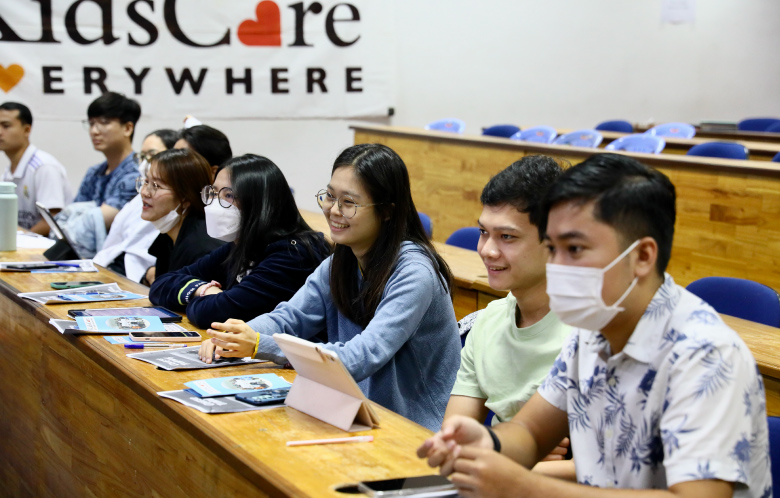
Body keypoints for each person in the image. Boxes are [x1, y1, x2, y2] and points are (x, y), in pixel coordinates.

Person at [418, 153, 771, 498]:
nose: (557, 266)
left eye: (574, 248)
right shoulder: (594, 329)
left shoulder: (705, 354)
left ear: (642, 257)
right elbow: (528, 431)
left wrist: (525, 486)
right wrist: (488, 443)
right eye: (553, 248)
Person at [199, 143, 461, 431]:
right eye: (330, 196)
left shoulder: (415, 272)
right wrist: (232, 336)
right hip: (352, 410)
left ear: (387, 211)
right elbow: (288, 318)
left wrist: (260, 345)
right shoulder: (340, 261)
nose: (332, 210)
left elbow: (364, 354)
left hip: (415, 427)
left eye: (348, 202)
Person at [447, 156, 573, 475]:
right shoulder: (487, 321)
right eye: (483, 232)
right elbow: (455, 435)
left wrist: (502, 455)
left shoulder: (593, 334)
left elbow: (605, 470)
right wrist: (515, 451)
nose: (488, 250)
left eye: (507, 237)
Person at [149, 154, 330, 329]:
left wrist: (204, 298)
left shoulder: (292, 254)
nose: (214, 204)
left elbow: (214, 314)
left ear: (259, 203)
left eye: (228, 196)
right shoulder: (241, 244)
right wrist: (202, 289)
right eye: (213, 193)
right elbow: (160, 285)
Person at [93, 129, 180, 281]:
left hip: (135, 276)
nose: (146, 162)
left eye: (152, 155)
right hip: (110, 267)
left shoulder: (170, 201)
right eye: (142, 156)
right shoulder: (141, 193)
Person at [139, 148, 224, 285]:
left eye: (156, 186)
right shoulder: (169, 236)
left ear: (185, 198)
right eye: (146, 182)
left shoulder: (202, 248)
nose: (144, 192)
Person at [0, 102, 72, 235]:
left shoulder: (44, 167)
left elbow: (52, 220)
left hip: (50, 251)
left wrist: (20, 241)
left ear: (27, 130)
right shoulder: (7, 172)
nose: (0, 132)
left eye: (6, 126)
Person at [74, 91, 142, 230]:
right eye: (91, 123)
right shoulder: (94, 172)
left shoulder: (137, 174)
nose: (94, 131)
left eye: (104, 123)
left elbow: (94, 223)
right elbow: (71, 215)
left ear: (128, 128)